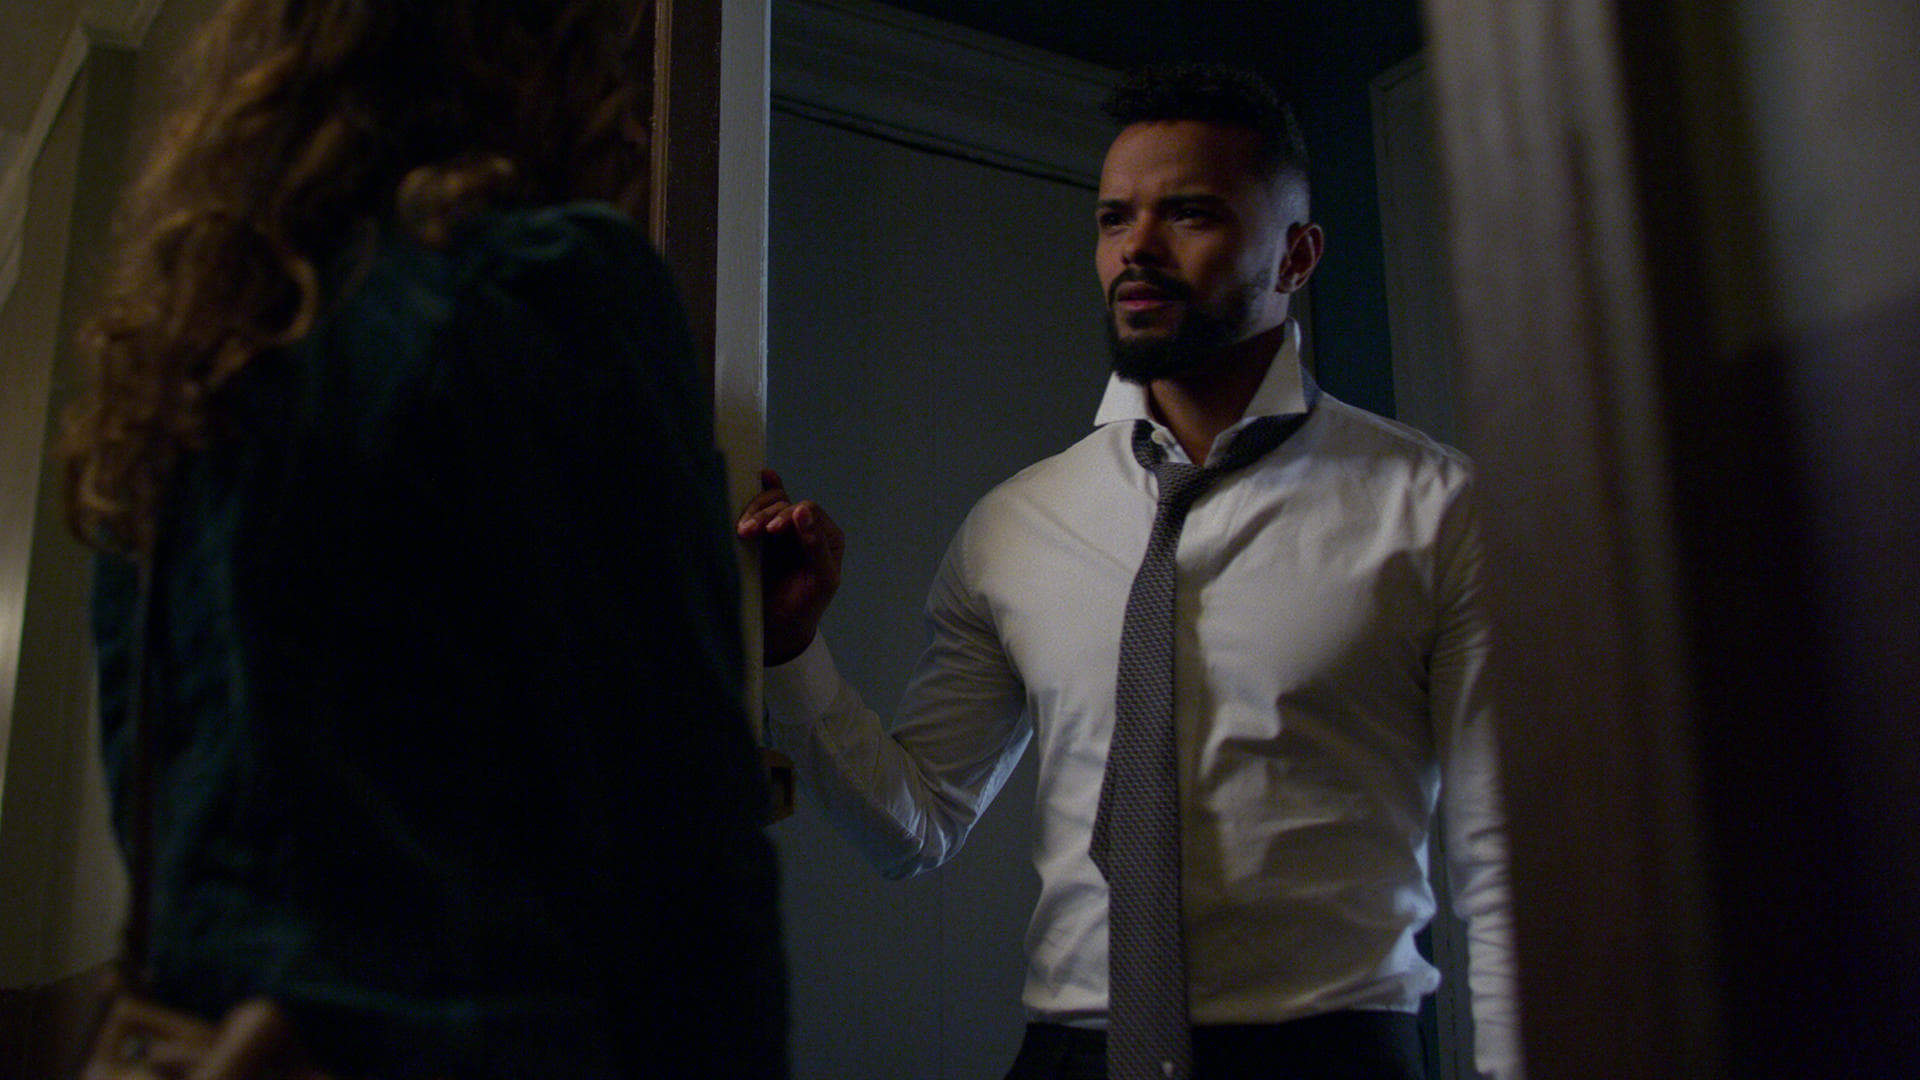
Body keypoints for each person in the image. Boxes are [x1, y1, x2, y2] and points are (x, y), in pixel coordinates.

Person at [738, 64, 1516, 1080]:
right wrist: (793, 652)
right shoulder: (1014, 525)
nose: (1136, 248)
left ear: (1297, 254)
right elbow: (916, 825)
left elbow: (1509, 871)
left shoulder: (1440, 511)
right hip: (1068, 1055)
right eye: (1114, 218)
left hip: (1330, 1056)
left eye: (1189, 212)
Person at [59, 1, 787, 1075]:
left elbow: (170, 836)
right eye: (605, 60)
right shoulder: (550, 284)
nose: (631, 115)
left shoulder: (177, 390)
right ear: (535, 63)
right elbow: (686, 857)